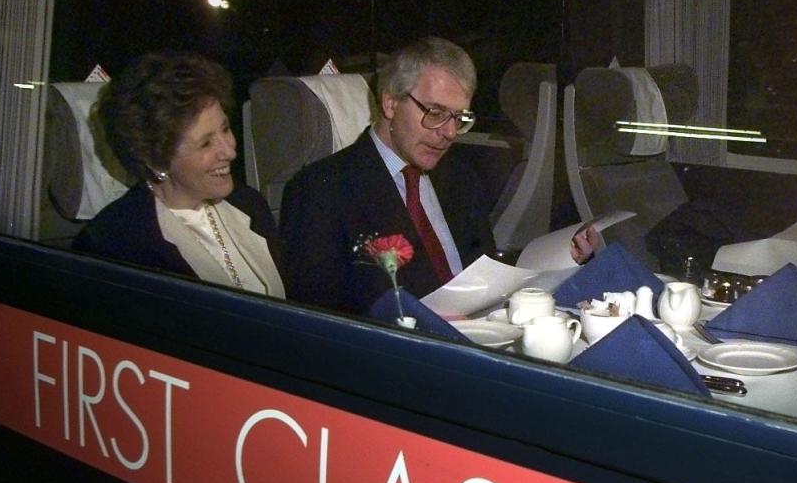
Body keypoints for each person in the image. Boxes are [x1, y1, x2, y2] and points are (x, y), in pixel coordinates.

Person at [279, 36, 594, 314]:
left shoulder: (460, 177)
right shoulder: (321, 191)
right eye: (435, 113)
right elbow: (319, 317)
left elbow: (481, 271)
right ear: (390, 102)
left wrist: (555, 258)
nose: (449, 132)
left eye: (459, 118)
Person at [73, 51, 285, 298]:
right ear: (155, 160)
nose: (229, 151)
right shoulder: (112, 244)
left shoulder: (249, 204)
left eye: (225, 129)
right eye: (205, 144)